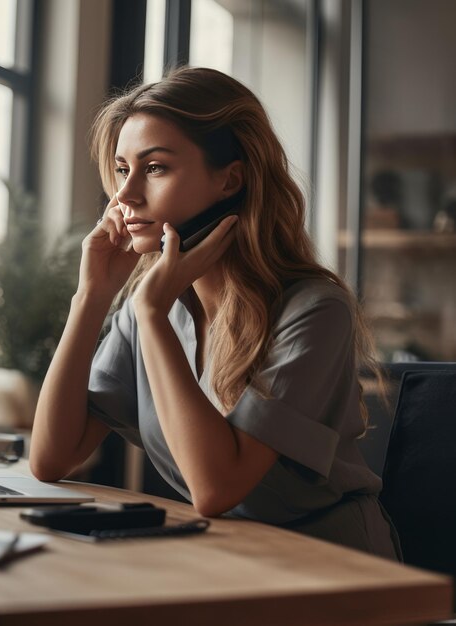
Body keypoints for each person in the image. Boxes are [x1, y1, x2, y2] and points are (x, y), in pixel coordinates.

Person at [30, 66, 401, 560]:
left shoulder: (314, 310)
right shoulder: (151, 309)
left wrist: (152, 313)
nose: (125, 196)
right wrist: (91, 297)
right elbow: (52, 458)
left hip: (332, 567)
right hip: (227, 556)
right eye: (123, 169)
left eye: (155, 167)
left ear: (231, 180)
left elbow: (216, 489)